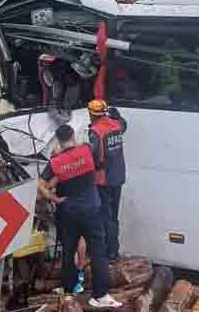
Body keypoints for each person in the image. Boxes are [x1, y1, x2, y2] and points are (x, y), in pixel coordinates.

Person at [38, 124, 121, 309]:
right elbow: (92, 147)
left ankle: (68, 291)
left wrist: (53, 198)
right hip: (91, 210)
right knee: (99, 251)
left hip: (67, 212)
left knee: (68, 252)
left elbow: (41, 185)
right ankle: (100, 295)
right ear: (72, 136)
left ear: (58, 140)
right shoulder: (86, 150)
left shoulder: (55, 162)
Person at [87, 99, 127, 262]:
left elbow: (92, 155)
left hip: (103, 179)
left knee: (105, 217)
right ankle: (113, 250)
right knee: (114, 216)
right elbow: (124, 124)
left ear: (91, 114)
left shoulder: (95, 132)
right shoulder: (116, 125)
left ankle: (110, 252)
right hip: (118, 176)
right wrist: (118, 115)